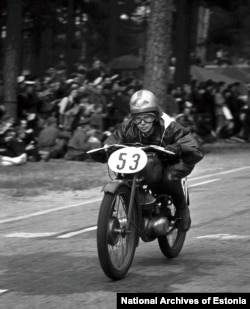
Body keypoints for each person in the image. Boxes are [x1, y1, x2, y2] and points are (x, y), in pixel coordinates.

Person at [103, 89, 204, 232]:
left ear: (155, 115)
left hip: (169, 161)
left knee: (169, 177)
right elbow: (113, 139)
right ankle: (135, 208)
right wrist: (108, 147)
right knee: (126, 177)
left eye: (148, 118)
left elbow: (194, 147)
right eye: (137, 118)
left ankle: (182, 209)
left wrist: (178, 147)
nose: (142, 123)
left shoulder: (169, 126)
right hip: (144, 162)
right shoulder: (128, 127)